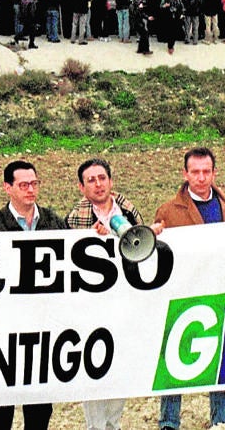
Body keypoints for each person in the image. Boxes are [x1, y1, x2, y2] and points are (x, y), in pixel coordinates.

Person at [63, 158, 163, 429]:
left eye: (102, 178)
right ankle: (96, 425)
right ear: (81, 187)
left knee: (121, 364)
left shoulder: (128, 210)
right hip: (91, 307)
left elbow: (144, 251)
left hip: (125, 303)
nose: (98, 184)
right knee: (93, 367)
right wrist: (87, 239)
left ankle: (113, 423)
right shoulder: (75, 218)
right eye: (91, 180)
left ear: (110, 181)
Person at [0, 160, 68, 430]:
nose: (30, 190)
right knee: (2, 402)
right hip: (5, 325)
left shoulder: (53, 222)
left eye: (34, 184)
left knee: (40, 401)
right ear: (7, 188)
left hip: (44, 323)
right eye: (23, 185)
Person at [153, 148, 225, 430]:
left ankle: (222, 417)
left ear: (214, 173)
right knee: (173, 357)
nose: (201, 178)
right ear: (185, 174)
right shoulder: (168, 210)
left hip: (219, 290)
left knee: (219, 356)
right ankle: (168, 420)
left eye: (206, 172)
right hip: (181, 293)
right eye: (195, 172)